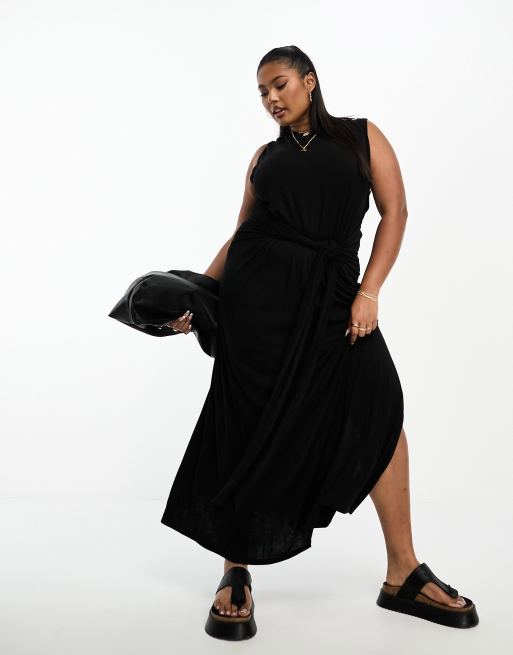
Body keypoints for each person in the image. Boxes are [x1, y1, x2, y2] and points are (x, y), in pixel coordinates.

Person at [161, 46, 479, 639]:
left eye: (279, 84)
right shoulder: (264, 157)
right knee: (246, 424)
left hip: (333, 300)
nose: (271, 99)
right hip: (257, 308)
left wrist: (369, 292)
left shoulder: (361, 137)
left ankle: (403, 573)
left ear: (309, 81)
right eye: (262, 92)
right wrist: (199, 294)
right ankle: (235, 570)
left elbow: (395, 213)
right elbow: (243, 233)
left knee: (379, 407)